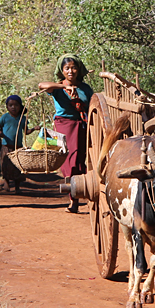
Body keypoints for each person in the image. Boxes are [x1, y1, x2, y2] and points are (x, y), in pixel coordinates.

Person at [38, 54, 94, 214]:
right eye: (67, 68)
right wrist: (65, 87)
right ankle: (73, 198)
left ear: (79, 69)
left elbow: (92, 107)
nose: (71, 71)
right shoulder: (57, 88)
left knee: (80, 158)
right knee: (68, 160)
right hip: (64, 125)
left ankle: (81, 195)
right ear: (61, 70)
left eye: (73, 67)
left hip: (83, 125)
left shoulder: (85, 89)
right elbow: (41, 85)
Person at [0, 95, 31, 191]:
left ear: (20, 107)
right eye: (10, 105)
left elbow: (26, 132)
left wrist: (34, 129)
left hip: (18, 146)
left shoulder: (22, 118)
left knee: (18, 166)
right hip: (6, 146)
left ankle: (17, 186)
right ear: (7, 107)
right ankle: (6, 183)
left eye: (16, 105)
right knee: (5, 165)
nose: (13, 107)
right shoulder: (5, 117)